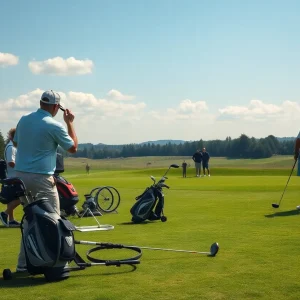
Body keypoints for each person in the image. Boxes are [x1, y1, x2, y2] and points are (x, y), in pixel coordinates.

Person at [13, 89, 78, 272]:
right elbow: (72, 148)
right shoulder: (54, 125)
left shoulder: (24, 119)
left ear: (41, 102)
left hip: (19, 177)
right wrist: (69, 123)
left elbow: (16, 143)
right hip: (41, 178)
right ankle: (58, 262)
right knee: (54, 219)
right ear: (56, 107)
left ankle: (24, 264)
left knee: (30, 220)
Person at [0, 128, 22, 227]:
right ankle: (4, 214)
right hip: (14, 177)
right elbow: (11, 162)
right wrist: (23, 167)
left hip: (14, 177)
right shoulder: (11, 147)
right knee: (23, 198)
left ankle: (11, 220)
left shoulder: (13, 146)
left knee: (12, 199)